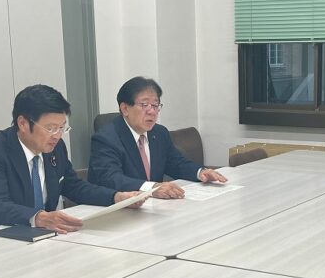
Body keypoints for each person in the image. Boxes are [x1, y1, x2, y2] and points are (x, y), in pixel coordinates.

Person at [0, 85, 144, 234]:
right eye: (50, 128)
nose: (57, 135)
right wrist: (38, 217)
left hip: (42, 236)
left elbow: (74, 186)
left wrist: (116, 197)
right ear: (23, 123)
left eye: (62, 128)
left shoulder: (55, 147)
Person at [87, 76, 226, 198]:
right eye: (144, 105)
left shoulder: (159, 133)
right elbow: (111, 179)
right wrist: (152, 188)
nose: (152, 112)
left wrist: (200, 172)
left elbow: (176, 163)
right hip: (118, 209)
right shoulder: (106, 138)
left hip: (152, 206)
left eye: (155, 105)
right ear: (125, 109)